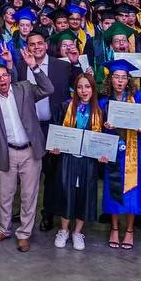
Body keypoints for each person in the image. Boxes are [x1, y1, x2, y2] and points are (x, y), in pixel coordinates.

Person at [0, 53, 53, 252]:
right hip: (7, 152)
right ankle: (3, 229)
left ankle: (24, 234)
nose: (1, 79)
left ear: (9, 76)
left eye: (4, 75)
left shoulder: (24, 88)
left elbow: (48, 88)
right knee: (5, 194)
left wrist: (35, 68)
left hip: (30, 152)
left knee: (29, 196)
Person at [99, 58, 141, 250]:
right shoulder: (103, 102)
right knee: (113, 189)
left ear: (128, 80)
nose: (119, 81)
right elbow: (95, 129)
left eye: (124, 77)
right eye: (116, 77)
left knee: (134, 191)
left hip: (136, 152)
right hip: (114, 152)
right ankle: (115, 228)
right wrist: (104, 126)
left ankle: (130, 230)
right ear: (110, 80)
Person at [18, 30, 72, 233]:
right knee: (28, 173)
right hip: (30, 128)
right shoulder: (22, 66)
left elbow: (80, 86)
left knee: (52, 174)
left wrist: (75, 64)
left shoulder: (62, 66)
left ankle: (48, 213)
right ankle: (24, 214)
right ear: (27, 47)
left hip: (54, 125)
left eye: (40, 43)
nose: (36, 47)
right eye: (32, 44)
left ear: (46, 45)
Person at [49, 73, 102, 250]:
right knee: (67, 192)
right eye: (80, 87)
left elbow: (105, 138)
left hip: (88, 160)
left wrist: (104, 152)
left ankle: (77, 232)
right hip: (68, 158)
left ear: (93, 88)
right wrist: (55, 146)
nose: (83, 90)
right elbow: (56, 130)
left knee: (85, 194)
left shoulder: (100, 109)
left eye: (87, 86)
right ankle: (63, 230)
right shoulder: (66, 106)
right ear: (75, 89)